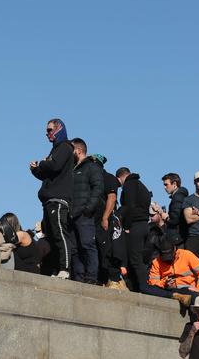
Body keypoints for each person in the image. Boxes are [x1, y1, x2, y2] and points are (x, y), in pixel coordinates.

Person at [30, 118, 74, 279]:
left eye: (49, 130)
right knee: (51, 238)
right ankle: (56, 268)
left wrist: (42, 163)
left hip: (58, 200)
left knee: (60, 234)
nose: (47, 133)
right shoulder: (55, 150)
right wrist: (36, 169)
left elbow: (54, 166)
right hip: (49, 201)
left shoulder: (64, 147)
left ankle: (65, 269)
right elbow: (48, 173)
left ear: (58, 129)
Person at [69, 138, 103, 284]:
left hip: (84, 214)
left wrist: (88, 209)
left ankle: (91, 278)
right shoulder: (72, 169)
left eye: (70, 151)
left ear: (78, 150)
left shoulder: (91, 167)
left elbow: (98, 188)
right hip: (72, 214)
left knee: (87, 245)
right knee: (75, 249)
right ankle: (79, 277)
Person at [90, 154, 126, 290]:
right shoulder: (92, 178)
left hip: (105, 221)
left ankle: (114, 280)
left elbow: (111, 198)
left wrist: (105, 217)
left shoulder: (108, 177)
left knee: (107, 251)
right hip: (93, 220)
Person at [146, 236, 199, 309]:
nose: (167, 259)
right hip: (168, 289)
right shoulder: (156, 261)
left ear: (175, 249)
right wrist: (164, 283)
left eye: (169, 255)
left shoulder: (186, 254)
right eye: (164, 256)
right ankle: (174, 295)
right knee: (146, 288)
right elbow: (153, 282)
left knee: (195, 299)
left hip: (186, 288)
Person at [116, 167, 151, 292]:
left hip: (135, 225)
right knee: (138, 258)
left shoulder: (129, 184)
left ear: (120, 178)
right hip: (144, 224)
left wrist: (126, 225)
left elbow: (130, 206)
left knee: (135, 259)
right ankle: (140, 286)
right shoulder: (141, 185)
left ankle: (144, 288)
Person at [161, 173, 189, 247]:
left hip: (178, 237)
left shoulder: (177, 198)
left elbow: (175, 219)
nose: (164, 187)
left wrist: (166, 217)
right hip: (179, 236)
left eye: (166, 184)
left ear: (174, 184)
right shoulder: (179, 196)